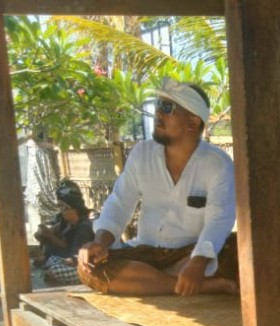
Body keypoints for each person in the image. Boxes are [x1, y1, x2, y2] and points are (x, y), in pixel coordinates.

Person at [77, 78, 237, 296]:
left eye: (167, 107)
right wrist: (100, 243)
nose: (158, 113)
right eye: (158, 105)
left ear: (192, 121)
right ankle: (192, 285)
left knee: (236, 250)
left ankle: (164, 281)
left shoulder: (218, 164)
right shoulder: (141, 154)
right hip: (146, 254)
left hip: (190, 254)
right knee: (89, 269)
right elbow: (120, 203)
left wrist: (198, 263)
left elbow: (219, 220)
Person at [34, 185, 94, 285]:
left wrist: (64, 262)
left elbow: (75, 258)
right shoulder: (65, 221)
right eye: (60, 207)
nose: (62, 211)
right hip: (67, 256)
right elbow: (45, 233)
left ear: (75, 209)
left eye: (65, 208)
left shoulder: (83, 228)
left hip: (80, 264)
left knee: (52, 272)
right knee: (52, 260)